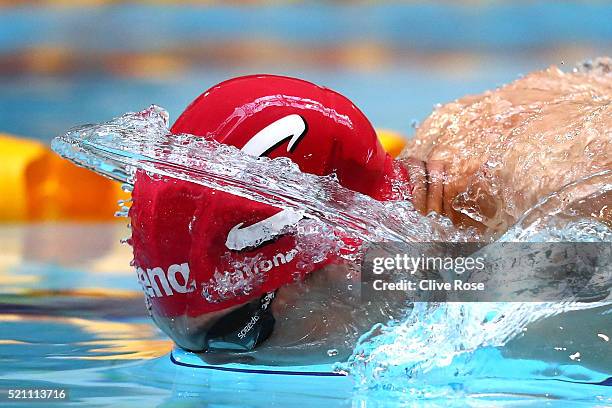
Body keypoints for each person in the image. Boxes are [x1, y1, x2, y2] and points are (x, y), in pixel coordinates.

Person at [130, 62, 611, 363]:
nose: (211, 363)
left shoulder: (574, 197)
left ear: (320, 267)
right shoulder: (437, 203)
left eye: (235, 335)